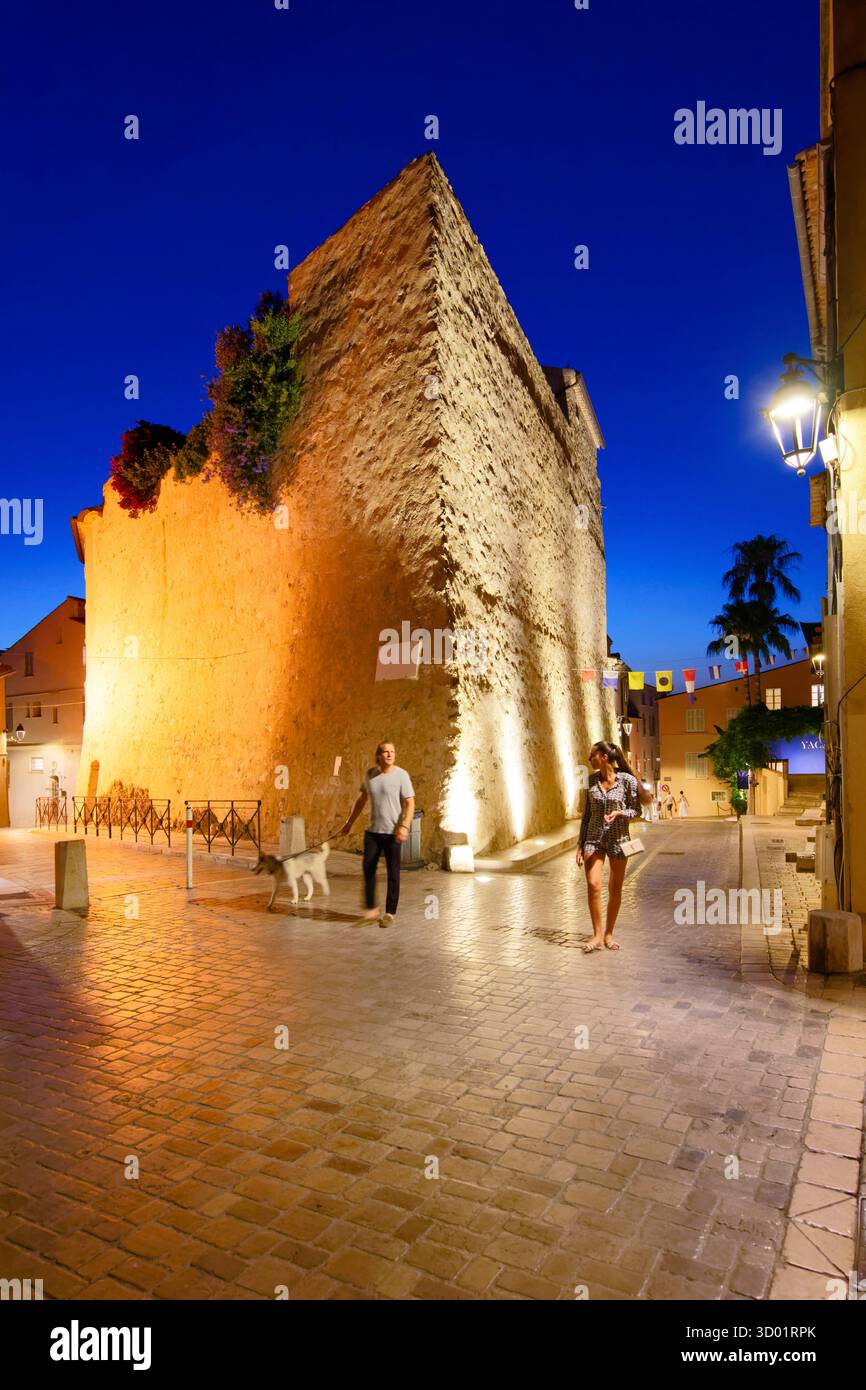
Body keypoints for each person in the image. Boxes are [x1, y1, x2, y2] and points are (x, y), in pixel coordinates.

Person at [576, 741, 652, 953]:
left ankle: (609, 933)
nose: (589, 759)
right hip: (594, 838)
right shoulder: (590, 781)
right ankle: (597, 935)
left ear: (604, 757)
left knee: (615, 889)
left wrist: (620, 813)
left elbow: (636, 811)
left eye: (593, 755)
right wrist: (580, 844)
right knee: (593, 885)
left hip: (619, 840)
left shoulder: (627, 781)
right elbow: (587, 815)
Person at [338, 741, 415, 929]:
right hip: (373, 832)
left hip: (392, 833)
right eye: (385, 752)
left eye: (392, 751)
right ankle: (372, 911)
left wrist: (404, 826)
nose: (389, 755)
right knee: (368, 869)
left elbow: (410, 803)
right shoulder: (370, 775)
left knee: (393, 873)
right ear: (378, 755)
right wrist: (349, 823)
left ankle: (390, 913)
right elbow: (361, 800)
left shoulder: (401, 775)